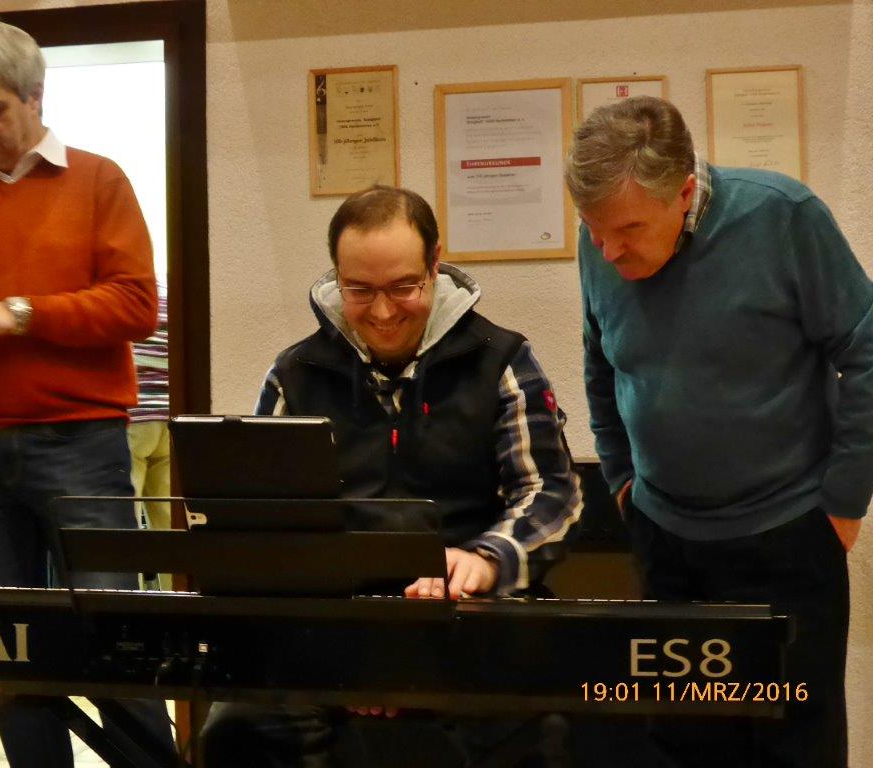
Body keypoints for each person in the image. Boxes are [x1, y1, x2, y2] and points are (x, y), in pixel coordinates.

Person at [201, 185, 582, 766]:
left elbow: (550, 492)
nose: (382, 312)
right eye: (359, 290)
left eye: (404, 287)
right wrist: (354, 655)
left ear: (434, 265)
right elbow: (267, 525)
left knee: (537, 731)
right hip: (333, 632)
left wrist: (487, 558)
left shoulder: (502, 359)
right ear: (336, 276)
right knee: (238, 730)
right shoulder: (294, 374)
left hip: (468, 625)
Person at [0, 19, 174, 768]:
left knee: (116, 640)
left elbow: (135, 306)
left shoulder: (99, 180)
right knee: (7, 654)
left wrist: (12, 313)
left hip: (82, 444)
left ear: (35, 97)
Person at [566, 95, 872, 768]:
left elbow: (866, 350)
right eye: (592, 229)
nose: (608, 249)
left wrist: (846, 498)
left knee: (795, 742)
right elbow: (599, 362)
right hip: (666, 539)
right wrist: (619, 477)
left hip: (787, 536)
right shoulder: (603, 240)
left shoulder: (782, 216)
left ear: (683, 193)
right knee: (685, 743)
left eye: (628, 229)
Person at [128, 284, 172, 589]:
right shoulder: (169, 297)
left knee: (127, 526)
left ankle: (134, 604)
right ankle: (178, 598)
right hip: (169, 419)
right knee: (170, 525)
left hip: (132, 419)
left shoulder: (125, 300)